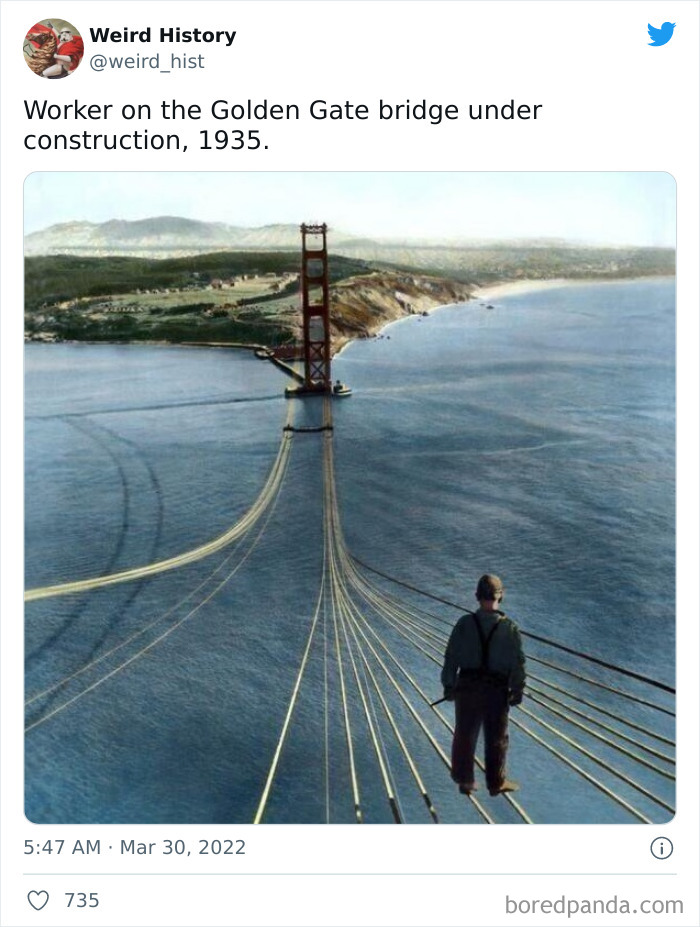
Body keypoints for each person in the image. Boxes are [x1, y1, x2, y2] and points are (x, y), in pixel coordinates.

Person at [441, 573, 526, 796]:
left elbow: (451, 657)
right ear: (501, 596)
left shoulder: (464, 624)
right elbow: (517, 664)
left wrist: (449, 686)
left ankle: (465, 781)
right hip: (496, 691)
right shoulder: (510, 629)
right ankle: (496, 783)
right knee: (497, 738)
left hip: (467, 687)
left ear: (477, 596)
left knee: (464, 734)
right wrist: (517, 690)